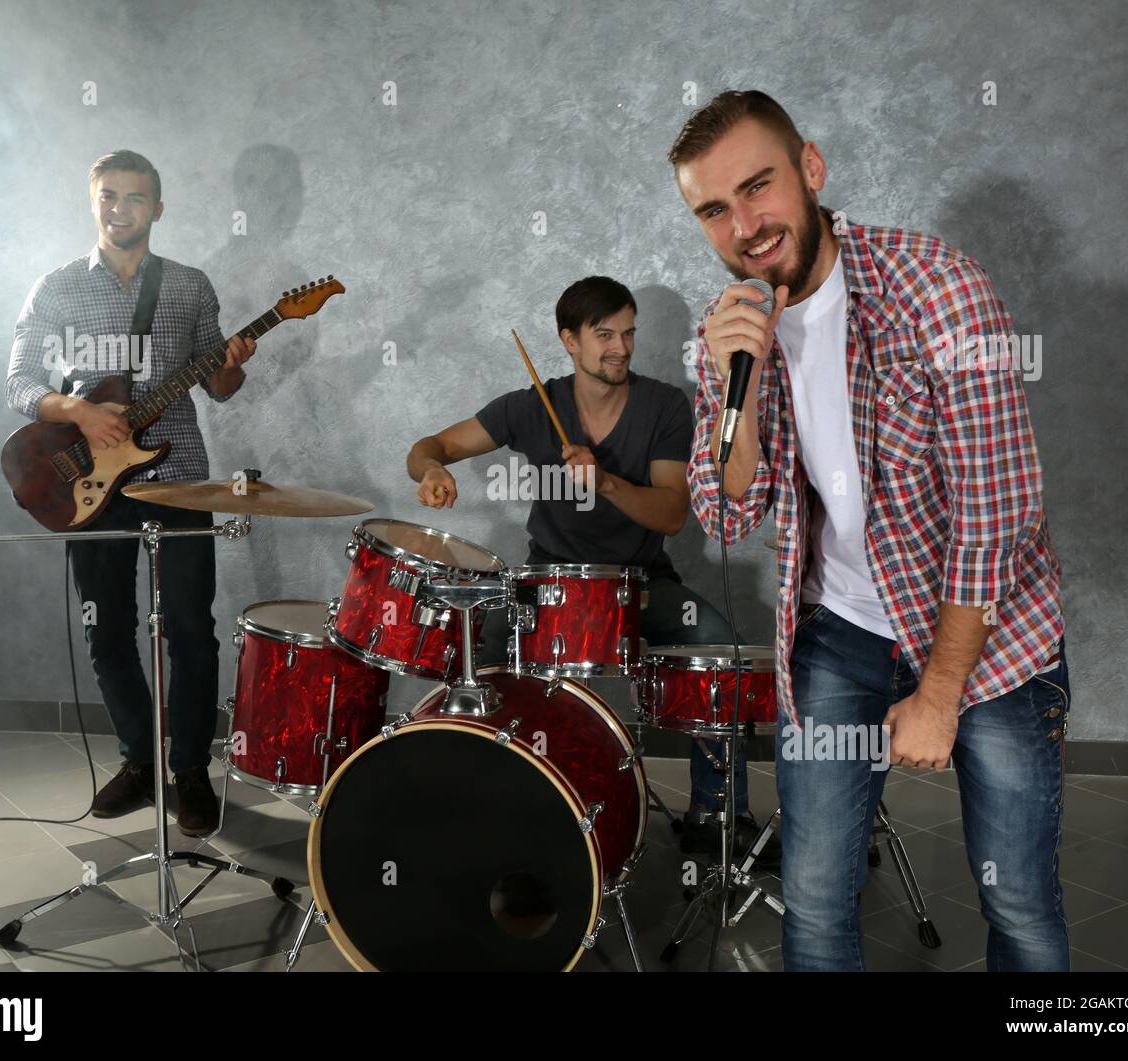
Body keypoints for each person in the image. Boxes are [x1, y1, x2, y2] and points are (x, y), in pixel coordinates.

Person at [673, 90, 1069, 970]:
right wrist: (738, 377)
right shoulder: (728, 333)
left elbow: (995, 514)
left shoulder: (938, 288)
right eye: (713, 208)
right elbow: (728, 507)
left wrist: (938, 693)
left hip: (988, 640)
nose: (744, 223)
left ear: (811, 171)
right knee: (813, 897)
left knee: (1019, 901)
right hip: (841, 634)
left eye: (758, 186)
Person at [405, 276, 774, 856]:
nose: (620, 348)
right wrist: (430, 471)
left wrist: (604, 481)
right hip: (548, 583)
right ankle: (488, 808)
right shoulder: (531, 406)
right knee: (478, 658)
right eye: (604, 335)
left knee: (719, 652)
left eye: (628, 333)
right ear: (569, 341)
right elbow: (430, 446)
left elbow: (674, 512)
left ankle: (716, 816)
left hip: (641, 585)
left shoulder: (664, 405)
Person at [5, 150, 257, 836]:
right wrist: (79, 412)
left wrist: (232, 364)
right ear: (94, 203)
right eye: (109, 196)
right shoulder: (56, 288)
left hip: (179, 481)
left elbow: (220, 387)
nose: (121, 208)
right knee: (107, 628)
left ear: (158, 208)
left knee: (191, 630)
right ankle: (138, 759)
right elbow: (20, 381)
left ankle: (191, 772)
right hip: (91, 486)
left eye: (136, 198)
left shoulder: (188, 286)